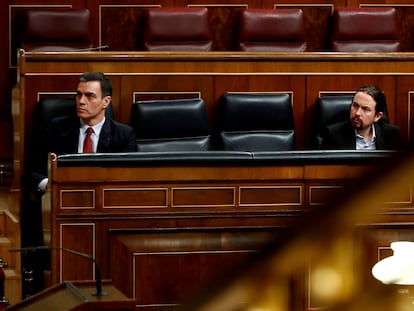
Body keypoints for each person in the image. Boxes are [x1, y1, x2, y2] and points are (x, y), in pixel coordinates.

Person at [22, 71, 137, 295]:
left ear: (106, 102)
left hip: (104, 213)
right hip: (60, 210)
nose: (81, 101)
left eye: (89, 96)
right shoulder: (56, 128)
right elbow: (30, 172)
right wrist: (50, 185)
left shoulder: (123, 135)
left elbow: (128, 182)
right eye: (78, 95)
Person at [320, 85, 402, 150]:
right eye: (355, 106)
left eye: (365, 109)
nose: (357, 113)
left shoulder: (392, 135)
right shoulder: (333, 135)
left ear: (377, 116)